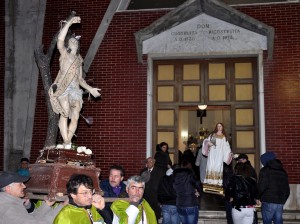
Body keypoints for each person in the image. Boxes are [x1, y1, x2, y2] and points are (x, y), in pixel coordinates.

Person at [48, 16, 101, 147]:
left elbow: (80, 79)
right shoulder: (64, 54)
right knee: (65, 111)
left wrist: (90, 89)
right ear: (68, 44)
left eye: (76, 42)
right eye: (72, 41)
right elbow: (60, 40)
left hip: (75, 90)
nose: (74, 43)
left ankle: (68, 141)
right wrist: (70, 23)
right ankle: (65, 139)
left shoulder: (79, 61)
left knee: (76, 115)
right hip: (63, 88)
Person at [257, 152, 290, 224]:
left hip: (268, 200)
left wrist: (258, 197)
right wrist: (283, 200)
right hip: (280, 202)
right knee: (278, 221)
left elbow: (261, 186)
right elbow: (287, 189)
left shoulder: (265, 170)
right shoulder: (283, 171)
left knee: (267, 221)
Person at [173, 159, 202, 224]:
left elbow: (173, 187)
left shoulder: (175, 175)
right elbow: (197, 184)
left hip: (179, 204)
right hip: (190, 203)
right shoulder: (190, 173)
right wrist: (198, 191)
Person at [140, 157, 165, 221]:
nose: (149, 163)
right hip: (145, 196)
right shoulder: (143, 171)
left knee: (155, 214)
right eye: (148, 162)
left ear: (154, 162)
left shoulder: (160, 172)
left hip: (155, 196)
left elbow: (162, 184)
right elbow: (140, 182)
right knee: (146, 213)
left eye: (151, 161)